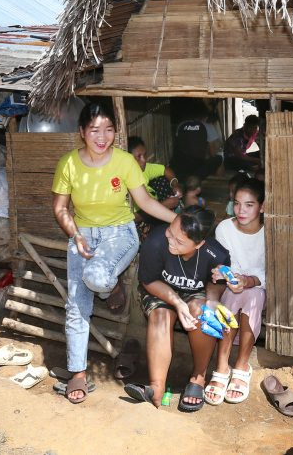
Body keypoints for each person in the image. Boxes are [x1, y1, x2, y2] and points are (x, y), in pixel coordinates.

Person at [52, 103, 177, 405]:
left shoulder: (124, 162)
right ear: (82, 132)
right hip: (82, 235)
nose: (102, 136)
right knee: (76, 305)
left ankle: (109, 284)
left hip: (120, 233)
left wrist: (179, 221)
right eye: (95, 129)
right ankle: (78, 373)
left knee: (96, 277)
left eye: (108, 129)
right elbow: (60, 209)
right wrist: (76, 235)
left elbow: (145, 203)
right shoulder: (68, 163)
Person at [124, 206, 230, 412]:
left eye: (179, 241)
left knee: (202, 313)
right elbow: (149, 281)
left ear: (199, 244)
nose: (170, 240)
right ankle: (156, 387)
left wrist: (212, 301)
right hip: (160, 289)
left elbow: (216, 284)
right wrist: (178, 303)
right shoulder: (155, 242)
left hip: (196, 293)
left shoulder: (216, 254)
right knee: (161, 315)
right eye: (170, 233)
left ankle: (198, 378)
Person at [205, 179, 266, 405]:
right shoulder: (225, 229)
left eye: (249, 205)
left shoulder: (269, 233)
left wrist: (249, 280)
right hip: (233, 290)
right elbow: (225, 265)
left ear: (263, 206)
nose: (241, 210)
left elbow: (270, 273)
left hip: (260, 289)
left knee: (254, 294)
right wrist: (224, 274)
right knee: (236, 294)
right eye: (237, 203)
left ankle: (241, 364)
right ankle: (222, 366)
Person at [128, 136, 181, 211]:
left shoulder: (143, 168)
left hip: (155, 206)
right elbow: (134, 218)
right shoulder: (125, 184)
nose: (144, 160)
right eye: (139, 157)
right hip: (143, 217)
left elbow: (165, 170)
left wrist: (175, 184)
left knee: (161, 181)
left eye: (144, 155)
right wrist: (163, 205)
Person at [172, 104, 223, 181]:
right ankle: (219, 181)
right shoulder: (208, 127)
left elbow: (178, 145)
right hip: (198, 169)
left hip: (180, 167)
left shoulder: (181, 125)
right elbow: (213, 152)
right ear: (205, 116)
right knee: (219, 157)